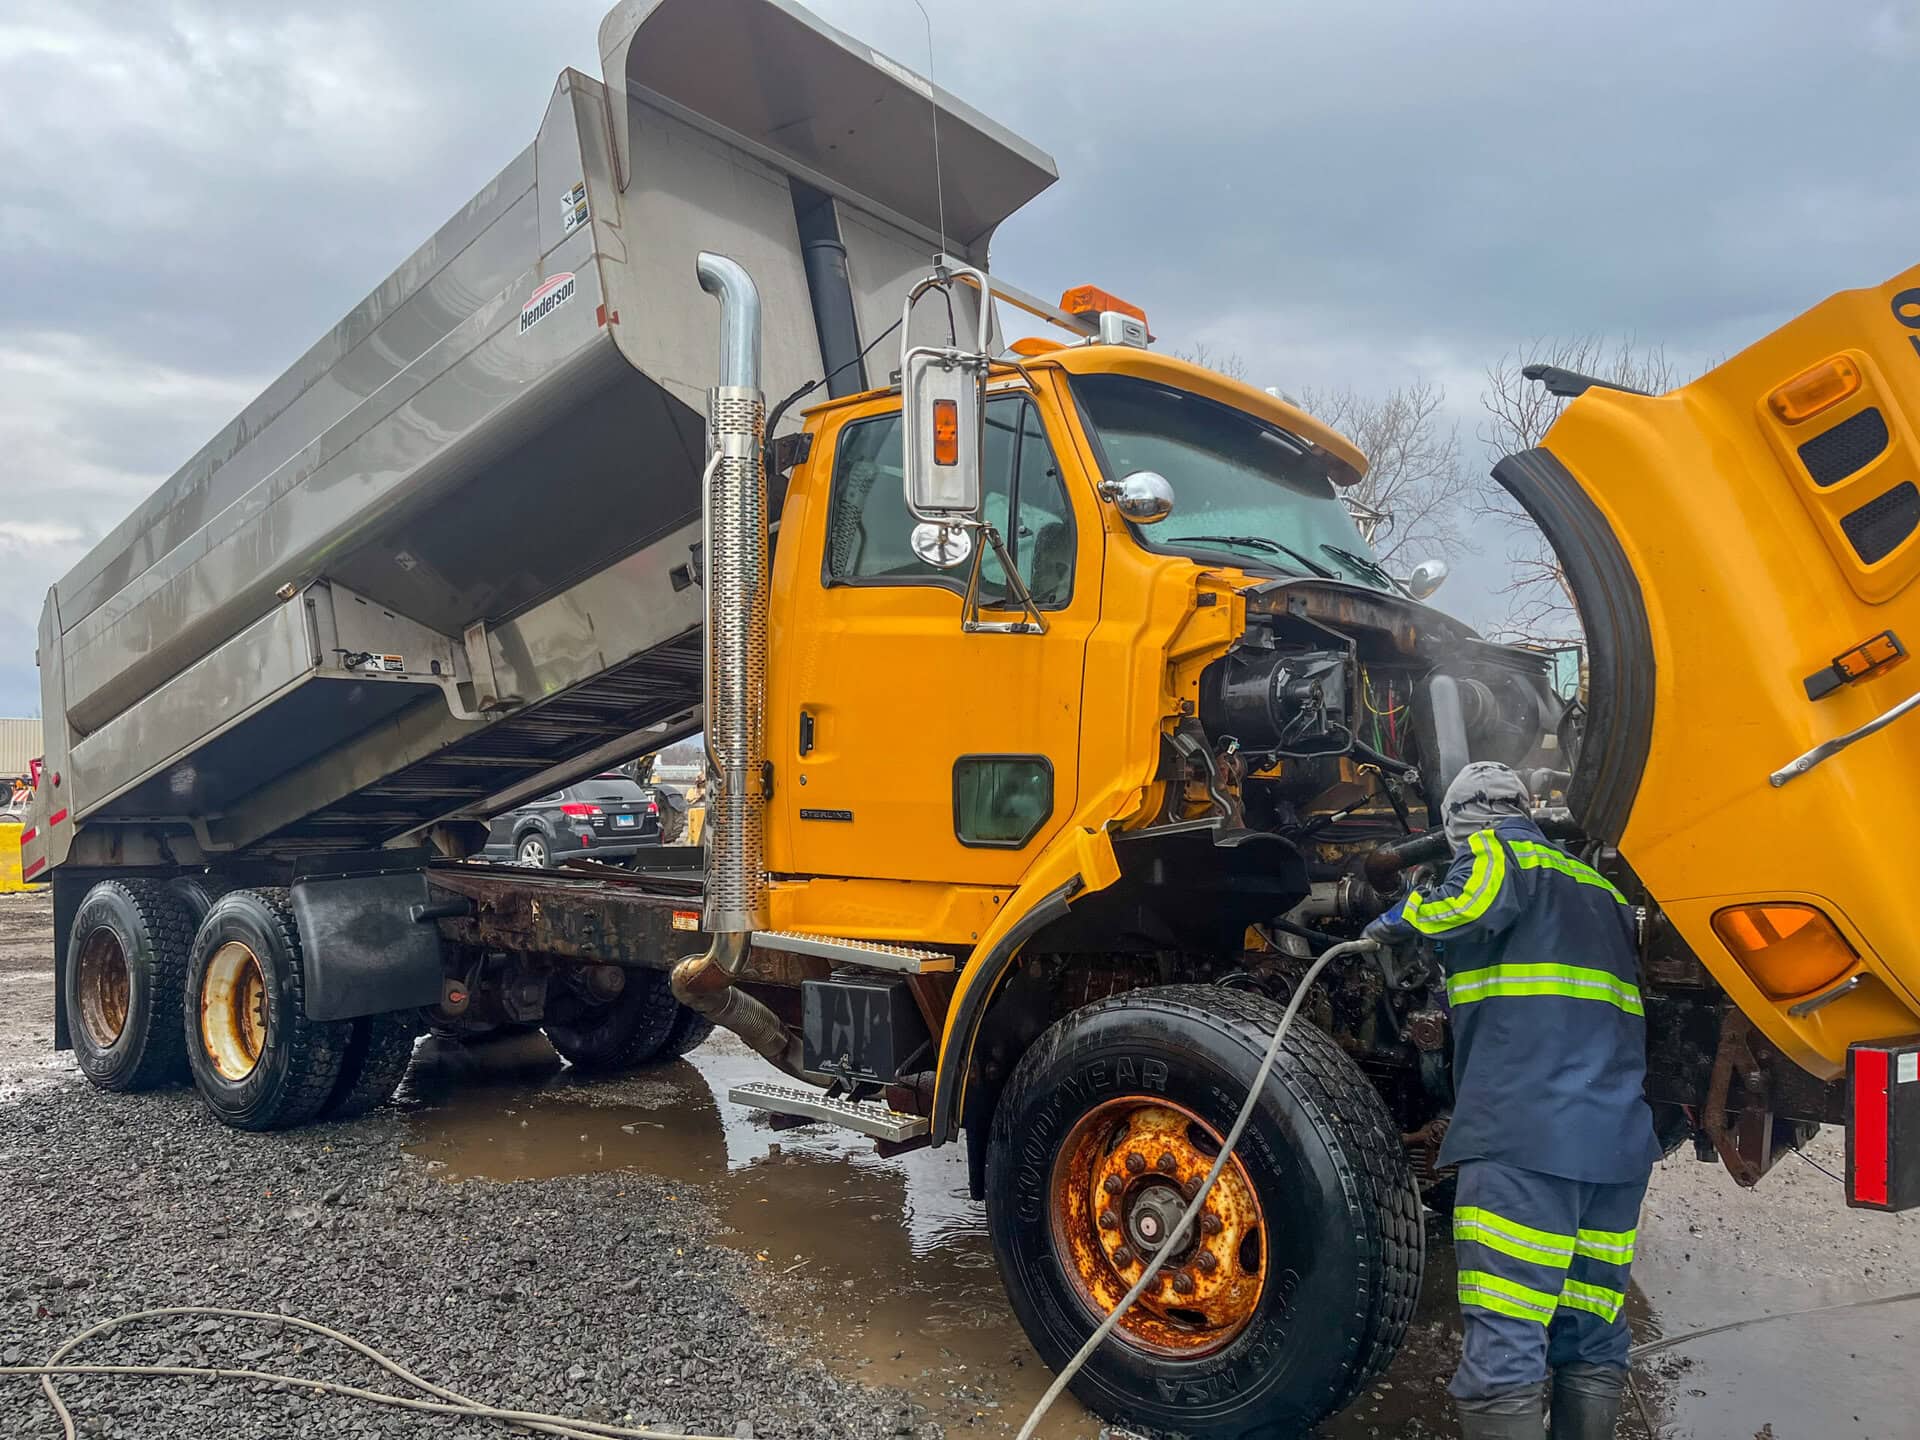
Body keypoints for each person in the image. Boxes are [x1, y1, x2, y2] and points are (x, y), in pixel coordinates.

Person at [1364, 761, 1661, 1440]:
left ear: (1462, 826)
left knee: (1508, 1336)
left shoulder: (1499, 852)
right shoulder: (1599, 889)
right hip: (1613, 1147)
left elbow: (1468, 904)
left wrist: (1392, 918)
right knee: (1590, 1325)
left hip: (1526, 1140)